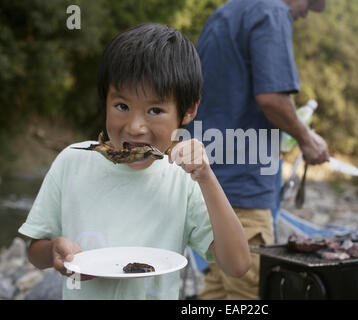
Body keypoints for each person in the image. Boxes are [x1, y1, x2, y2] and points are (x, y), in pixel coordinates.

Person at [18, 23, 251, 300]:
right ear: (105, 100)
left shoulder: (183, 178)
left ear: (188, 111)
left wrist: (207, 178)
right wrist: (54, 249)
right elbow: (36, 252)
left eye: (155, 110)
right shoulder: (72, 161)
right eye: (122, 106)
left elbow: (237, 265)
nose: (135, 127)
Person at [186, 0, 329, 299]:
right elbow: (272, 98)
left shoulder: (225, 13)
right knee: (249, 291)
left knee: (218, 288)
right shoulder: (272, 11)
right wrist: (307, 138)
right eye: (308, 6)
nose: (303, 14)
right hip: (243, 185)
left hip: (209, 180)